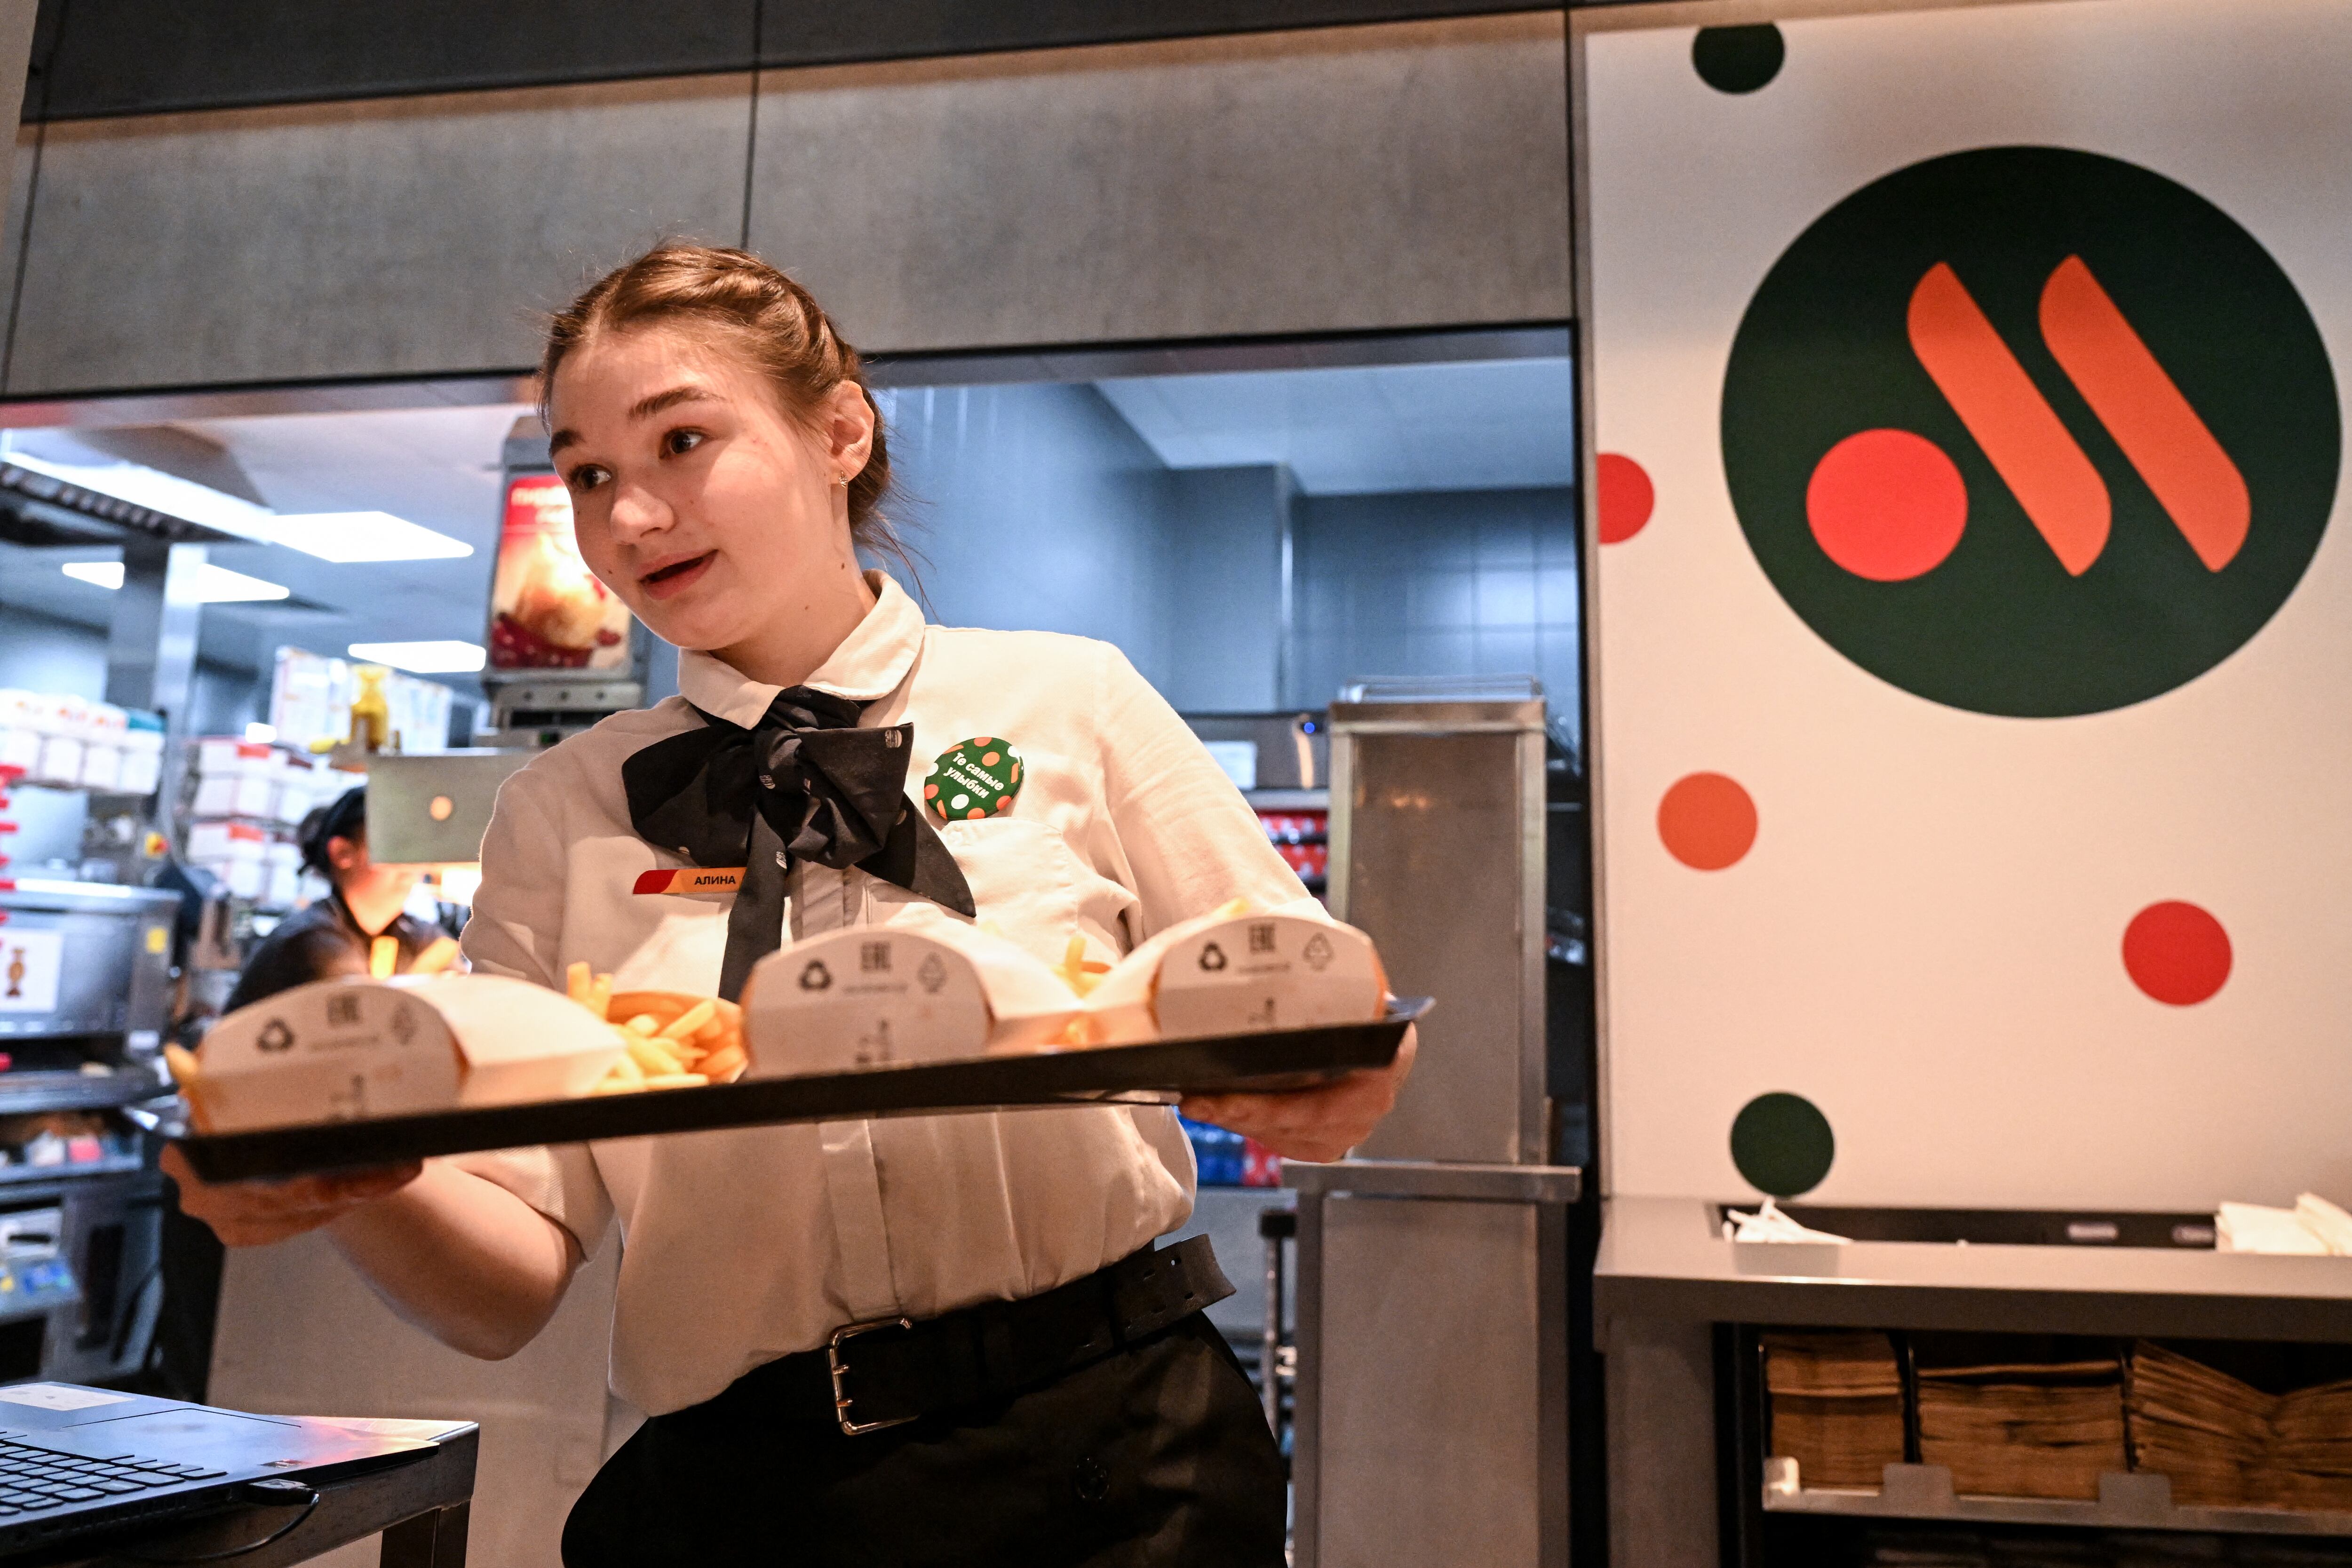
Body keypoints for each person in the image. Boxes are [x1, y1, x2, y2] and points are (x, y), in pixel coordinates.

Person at [163, 243, 1414, 1567]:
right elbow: (506, 1288)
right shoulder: (560, 807)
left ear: (840, 434)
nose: (630, 517)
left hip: (1116, 1456)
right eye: (588, 474)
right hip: (743, 1498)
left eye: (682, 441)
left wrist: (1327, 1083)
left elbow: (1312, 1015)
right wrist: (352, 1177)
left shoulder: (1072, 701)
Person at [221, 786, 442, 1012]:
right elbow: (367, 1019)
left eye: (416, 847)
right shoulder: (313, 943)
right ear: (341, 852)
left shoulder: (412, 934)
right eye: (395, 847)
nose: (411, 865)